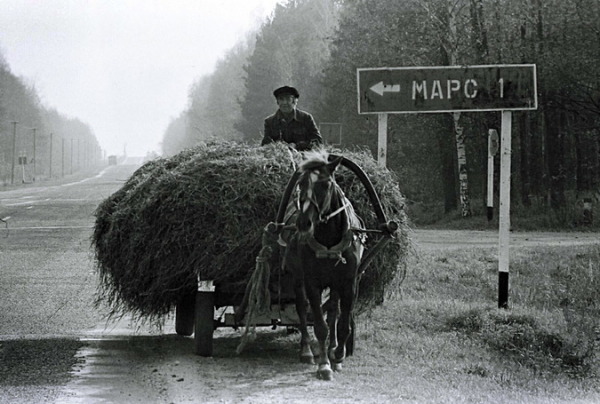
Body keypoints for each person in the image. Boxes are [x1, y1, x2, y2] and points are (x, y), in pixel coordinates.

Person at [261, 86, 323, 151]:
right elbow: (266, 144)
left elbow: (318, 142)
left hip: (304, 158)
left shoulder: (306, 118)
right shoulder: (269, 122)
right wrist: (276, 147)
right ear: (277, 102)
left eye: (288, 99)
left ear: (294, 101)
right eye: (281, 99)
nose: (285, 103)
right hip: (279, 159)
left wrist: (297, 146)